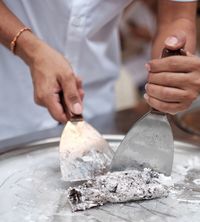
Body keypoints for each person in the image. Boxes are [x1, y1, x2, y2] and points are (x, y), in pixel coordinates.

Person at [0, 0, 198, 140]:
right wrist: (31, 50)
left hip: (95, 107)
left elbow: (176, 16)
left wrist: (172, 73)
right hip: (10, 98)